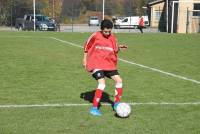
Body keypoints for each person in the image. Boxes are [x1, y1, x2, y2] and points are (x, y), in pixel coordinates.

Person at [82, 19, 128, 116]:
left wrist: (120, 47)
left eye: (109, 31)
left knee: (119, 80)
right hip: (96, 63)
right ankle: (94, 108)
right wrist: (85, 59)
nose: (107, 33)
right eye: (105, 31)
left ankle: (116, 103)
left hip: (108, 64)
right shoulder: (95, 35)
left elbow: (115, 50)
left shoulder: (112, 37)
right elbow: (86, 46)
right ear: (101, 29)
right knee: (102, 83)